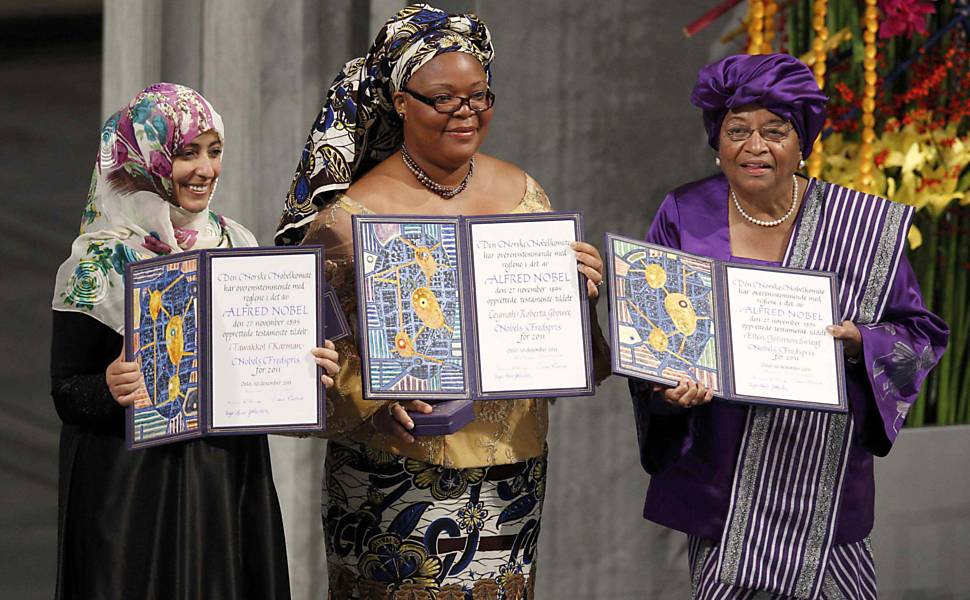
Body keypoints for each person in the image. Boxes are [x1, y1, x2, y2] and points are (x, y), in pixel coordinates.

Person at [276, 5, 609, 598]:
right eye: (444, 99)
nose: (466, 113)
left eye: (479, 96)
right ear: (401, 101)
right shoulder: (350, 218)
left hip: (510, 477)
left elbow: (579, 356)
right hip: (392, 478)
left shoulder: (527, 196)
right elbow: (306, 361)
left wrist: (581, 297)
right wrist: (372, 390)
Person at [629, 53, 949, 599]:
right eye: (737, 131)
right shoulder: (684, 212)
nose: (755, 147)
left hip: (823, 486)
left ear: (803, 141)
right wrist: (668, 390)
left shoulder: (860, 227)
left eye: (774, 131)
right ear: (717, 138)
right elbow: (654, 337)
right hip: (725, 488)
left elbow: (918, 335)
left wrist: (859, 345)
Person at [50, 83, 340, 600]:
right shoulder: (96, 265)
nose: (206, 169)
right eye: (187, 153)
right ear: (145, 160)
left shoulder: (237, 243)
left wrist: (307, 364)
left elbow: (258, 353)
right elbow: (67, 390)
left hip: (223, 480)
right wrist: (108, 389)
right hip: (132, 489)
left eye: (214, 151)